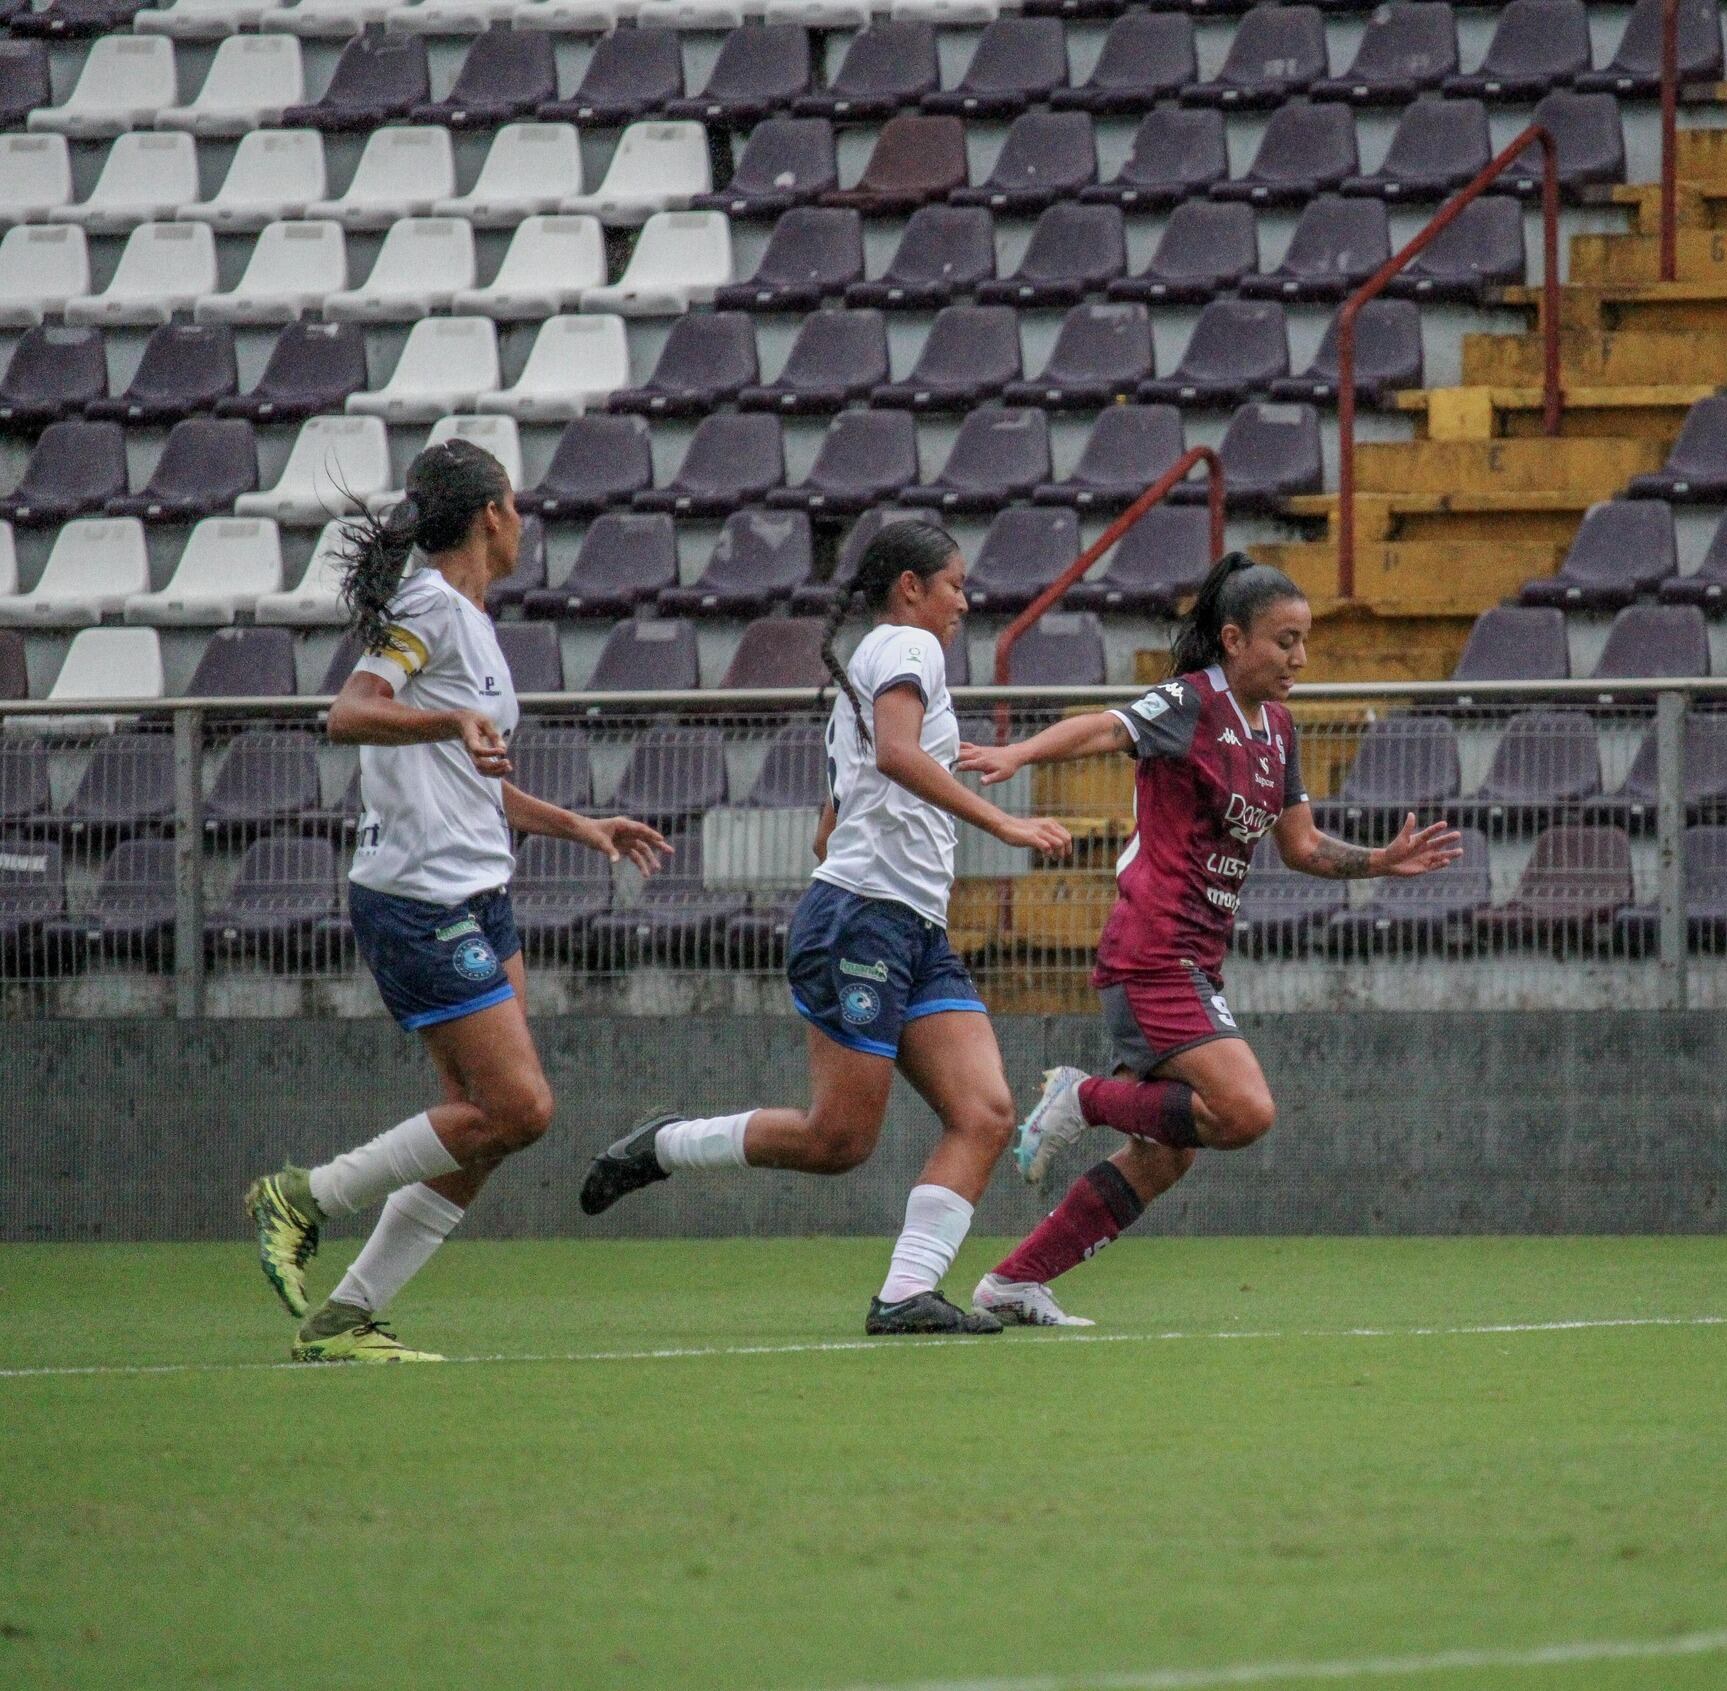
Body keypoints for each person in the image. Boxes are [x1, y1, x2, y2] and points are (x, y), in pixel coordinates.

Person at [579, 521, 1074, 1335]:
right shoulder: (910, 649)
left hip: (907, 923)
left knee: (984, 1112)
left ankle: (906, 1293)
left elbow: (838, 813)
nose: (963, 600)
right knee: (837, 1138)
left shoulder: (872, 665)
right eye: (953, 582)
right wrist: (1005, 824)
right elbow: (895, 755)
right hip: (865, 919)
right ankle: (666, 1144)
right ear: (910, 587)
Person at [244, 439, 671, 1363]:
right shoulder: (429, 604)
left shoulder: (472, 621)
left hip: (479, 890)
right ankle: (303, 1195)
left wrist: (582, 825)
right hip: (417, 895)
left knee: (474, 1133)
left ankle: (348, 1316)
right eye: (516, 507)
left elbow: (474, 778)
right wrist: (448, 717)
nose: (523, 525)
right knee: (520, 1108)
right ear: (491, 514)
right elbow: (350, 711)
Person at [953, 553, 1461, 1327]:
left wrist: (1379, 861)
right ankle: (1081, 1096)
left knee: (1165, 1154)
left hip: (1194, 960)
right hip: (1154, 950)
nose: (1300, 658)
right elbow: (1106, 726)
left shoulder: (1278, 729)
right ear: (1233, 639)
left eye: (1304, 641)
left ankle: (1013, 1282)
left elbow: (1301, 846)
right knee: (1245, 1110)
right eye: (1284, 641)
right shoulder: (1193, 702)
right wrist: (1019, 753)